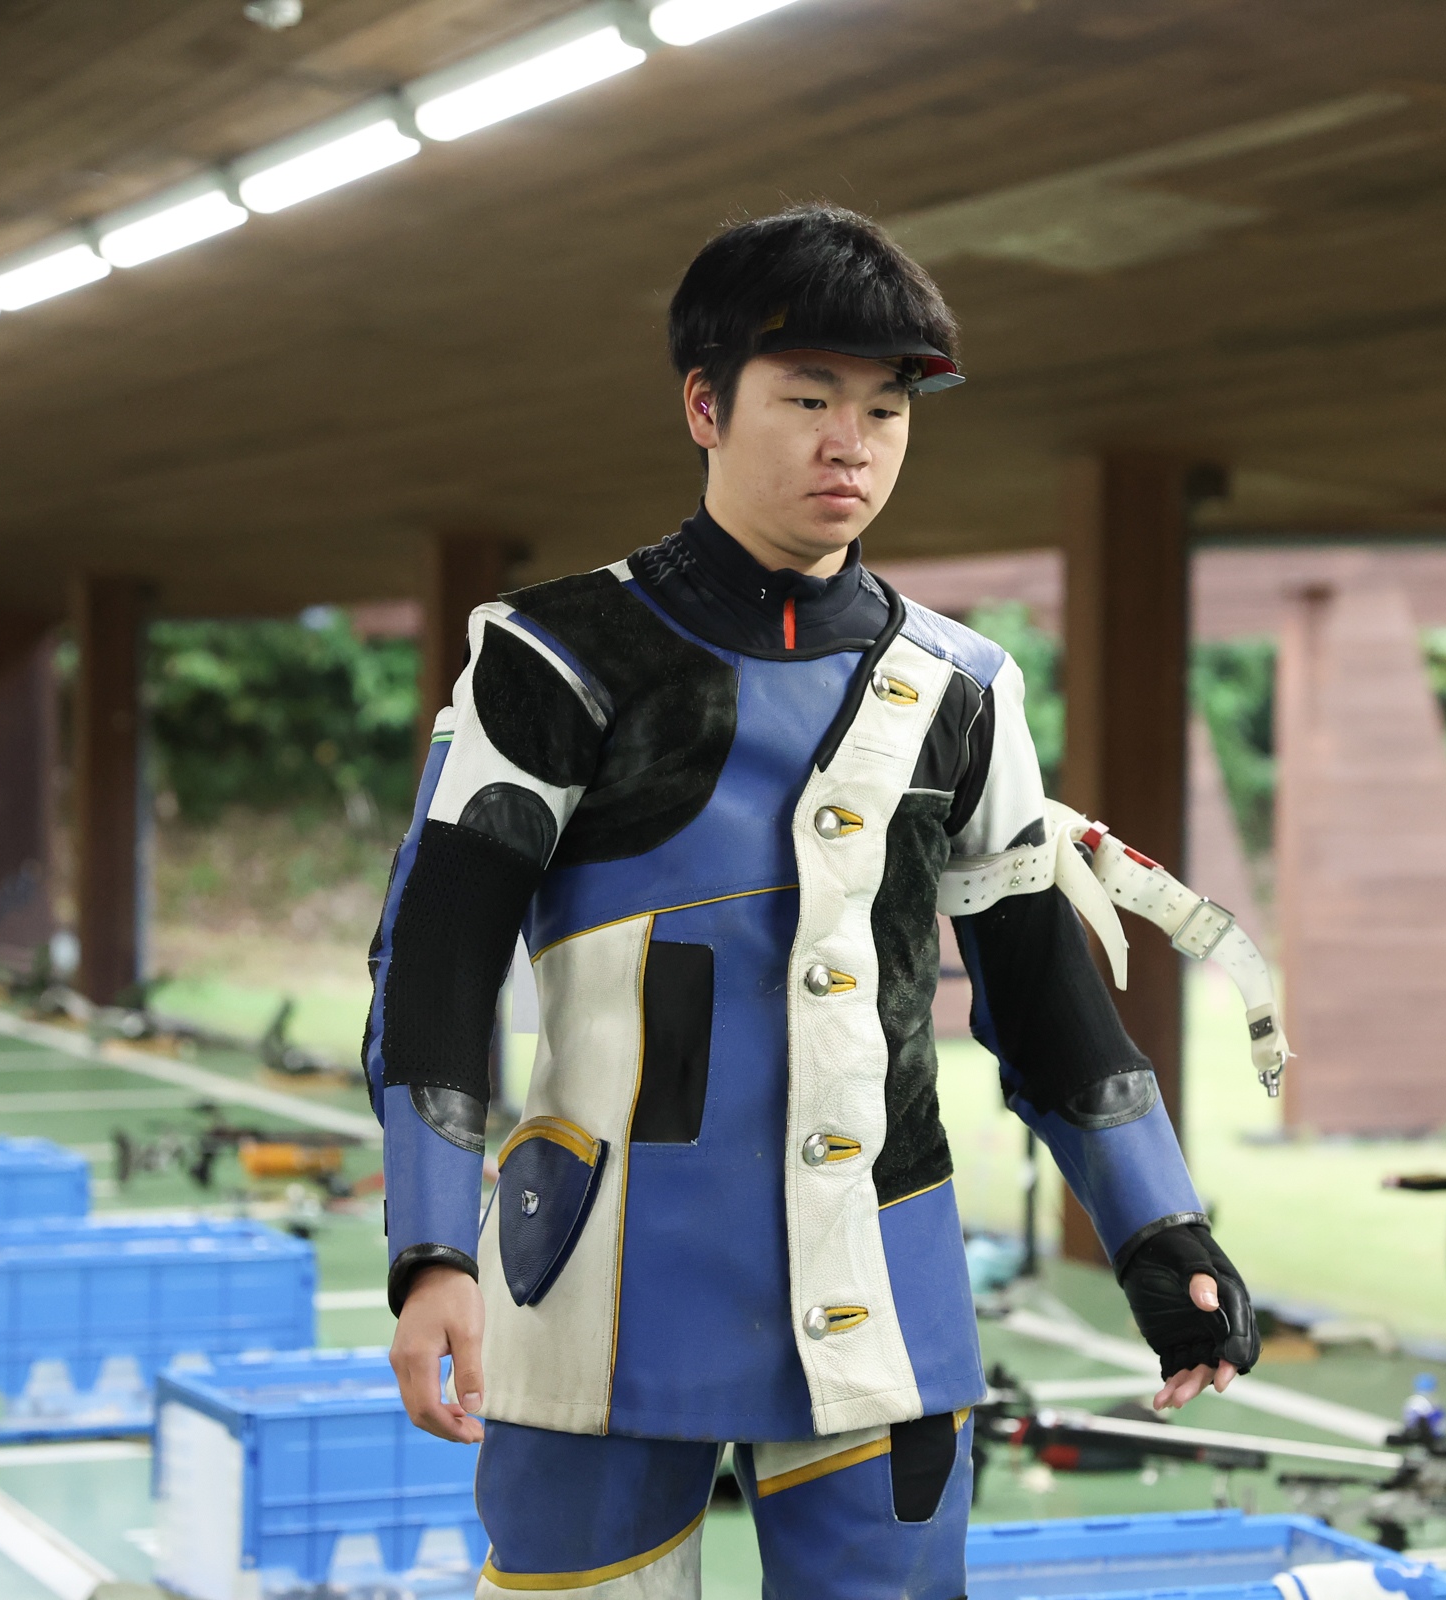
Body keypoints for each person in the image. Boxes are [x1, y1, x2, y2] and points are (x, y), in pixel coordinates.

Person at [366, 205, 1260, 1599]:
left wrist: (1159, 1226)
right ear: (705, 405)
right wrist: (430, 1251)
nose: (854, 442)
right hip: (598, 1284)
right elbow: (434, 965)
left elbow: (1045, 997)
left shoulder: (962, 688)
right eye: (809, 398)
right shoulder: (553, 656)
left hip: (884, 1292)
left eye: (887, 410)